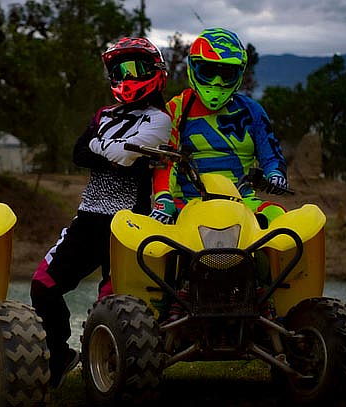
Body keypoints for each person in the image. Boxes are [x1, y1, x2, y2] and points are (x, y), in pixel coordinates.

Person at [30, 37, 171, 388]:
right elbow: (80, 153)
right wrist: (113, 148)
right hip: (88, 217)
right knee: (41, 285)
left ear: (155, 71)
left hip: (127, 223)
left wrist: (104, 146)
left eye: (135, 68)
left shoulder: (160, 119)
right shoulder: (103, 114)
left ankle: (111, 375)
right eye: (119, 69)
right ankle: (59, 354)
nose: (126, 75)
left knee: (112, 303)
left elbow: (123, 158)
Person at [151, 27, 288, 226]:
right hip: (188, 203)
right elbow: (166, 159)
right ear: (194, 68)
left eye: (226, 73)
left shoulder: (253, 111)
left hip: (242, 202)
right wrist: (164, 198)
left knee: (282, 220)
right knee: (149, 241)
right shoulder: (176, 109)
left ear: (238, 74)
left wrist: (275, 175)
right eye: (208, 71)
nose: (217, 81)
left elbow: (271, 155)